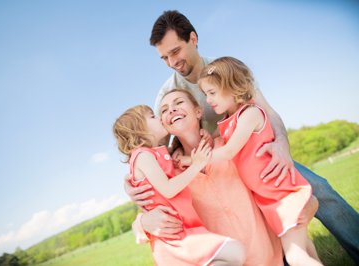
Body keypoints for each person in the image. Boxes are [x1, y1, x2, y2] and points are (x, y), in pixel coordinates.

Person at [126, 10, 359, 263]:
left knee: (319, 188)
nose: (172, 62)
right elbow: (157, 150)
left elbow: (267, 112)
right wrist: (138, 200)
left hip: (251, 157)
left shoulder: (224, 69)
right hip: (216, 166)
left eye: (175, 51)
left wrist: (281, 145)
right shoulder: (168, 94)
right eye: (164, 58)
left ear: (193, 39)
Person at [131, 88, 285, 265]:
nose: (171, 110)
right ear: (164, 125)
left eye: (179, 103)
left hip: (272, 258)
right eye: (164, 110)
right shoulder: (170, 174)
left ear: (198, 111)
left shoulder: (231, 146)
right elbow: (152, 205)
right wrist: (142, 223)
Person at [196, 56, 322, 265]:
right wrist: (208, 138)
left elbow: (227, 152)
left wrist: (198, 160)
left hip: (281, 194)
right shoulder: (229, 121)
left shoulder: (250, 114)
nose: (208, 100)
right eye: (206, 94)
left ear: (231, 87)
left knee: (295, 256)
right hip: (270, 198)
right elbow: (223, 140)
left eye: (212, 93)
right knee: (304, 247)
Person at [113, 104, 246, 265]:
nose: (160, 118)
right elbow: (168, 189)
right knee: (234, 251)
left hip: (183, 229)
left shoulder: (155, 155)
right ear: (140, 130)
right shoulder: (142, 156)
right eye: (153, 117)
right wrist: (197, 164)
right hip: (174, 237)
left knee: (232, 255)